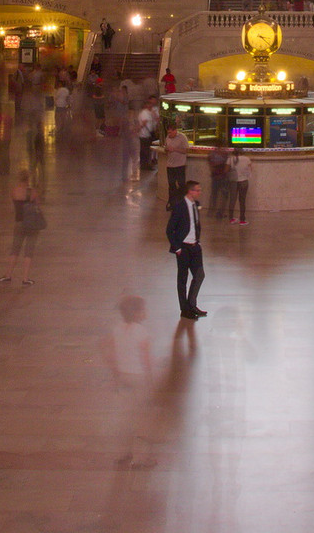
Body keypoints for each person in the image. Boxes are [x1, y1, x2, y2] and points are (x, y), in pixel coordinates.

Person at [105, 295, 155, 470]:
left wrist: (115, 374)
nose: (146, 312)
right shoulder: (142, 332)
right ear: (138, 314)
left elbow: (111, 354)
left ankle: (122, 452)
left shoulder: (117, 329)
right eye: (144, 309)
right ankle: (141, 458)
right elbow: (145, 358)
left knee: (125, 416)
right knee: (142, 417)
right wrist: (150, 379)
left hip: (123, 376)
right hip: (139, 377)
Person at [166, 181, 206, 320]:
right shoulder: (179, 207)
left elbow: (195, 225)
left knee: (199, 275)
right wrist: (177, 248)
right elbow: (170, 230)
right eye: (197, 190)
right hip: (183, 248)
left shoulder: (196, 204)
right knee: (182, 279)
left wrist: (198, 241)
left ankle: (192, 304)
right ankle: (185, 309)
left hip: (195, 247)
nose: (199, 192)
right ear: (190, 191)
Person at [0, 170, 43, 286]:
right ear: (28, 179)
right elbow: (38, 205)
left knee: (15, 249)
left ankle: (8, 275)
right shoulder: (33, 192)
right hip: (32, 224)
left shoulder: (14, 191)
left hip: (19, 222)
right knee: (29, 251)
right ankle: (25, 278)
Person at [161, 119, 189, 206]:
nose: (169, 134)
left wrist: (175, 149)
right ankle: (172, 203)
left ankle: (182, 203)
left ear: (175, 130)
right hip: (170, 165)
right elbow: (166, 148)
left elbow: (185, 150)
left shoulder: (182, 137)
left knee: (181, 184)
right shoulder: (167, 138)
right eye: (168, 133)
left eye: (170, 132)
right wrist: (166, 149)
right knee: (171, 185)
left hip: (179, 165)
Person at [229, 149, 252, 225]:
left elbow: (226, 169)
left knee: (232, 200)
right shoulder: (246, 159)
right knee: (242, 201)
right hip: (244, 181)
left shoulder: (231, 159)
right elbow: (250, 169)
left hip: (233, 182)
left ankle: (231, 218)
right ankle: (242, 219)